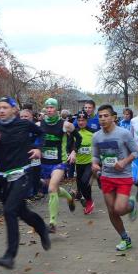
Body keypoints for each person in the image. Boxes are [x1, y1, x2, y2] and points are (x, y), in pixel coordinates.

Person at [0, 96, 50, 269]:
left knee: (9, 210)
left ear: (14, 110)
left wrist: (38, 148)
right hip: (4, 177)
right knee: (22, 212)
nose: (1, 110)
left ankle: (9, 256)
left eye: (5, 107)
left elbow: (41, 133)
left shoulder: (24, 124)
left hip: (23, 174)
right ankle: (41, 228)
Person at [91, 104, 138, 250]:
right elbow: (95, 156)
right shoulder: (96, 136)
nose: (103, 119)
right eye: (100, 116)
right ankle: (125, 238)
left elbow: (136, 152)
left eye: (106, 116)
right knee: (112, 210)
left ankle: (131, 205)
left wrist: (124, 162)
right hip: (106, 176)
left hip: (123, 176)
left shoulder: (124, 133)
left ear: (113, 117)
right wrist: (94, 164)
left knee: (119, 209)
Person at [38, 98, 76, 232]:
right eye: (47, 107)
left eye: (52, 107)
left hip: (60, 162)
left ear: (56, 109)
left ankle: (52, 223)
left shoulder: (65, 125)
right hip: (45, 163)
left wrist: (73, 151)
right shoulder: (39, 124)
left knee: (51, 189)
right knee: (53, 189)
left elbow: (76, 138)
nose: (49, 110)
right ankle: (69, 197)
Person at [71, 111, 96, 214]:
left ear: (87, 120)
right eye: (79, 120)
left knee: (85, 181)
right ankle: (84, 198)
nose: (81, 122)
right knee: (81, 184)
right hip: (78, 163)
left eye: (83, 120)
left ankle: (89, 201)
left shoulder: (93, 132)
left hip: (89, 162)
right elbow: (70, 146)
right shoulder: (74, 132)